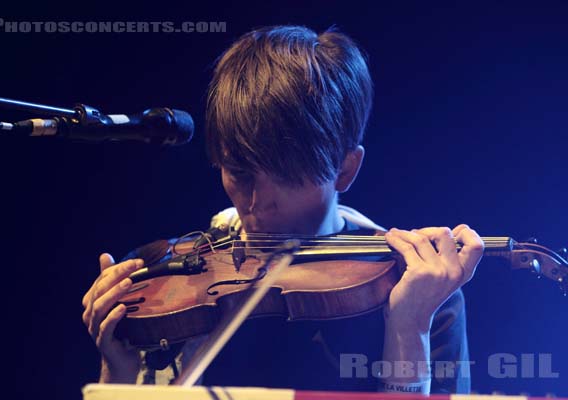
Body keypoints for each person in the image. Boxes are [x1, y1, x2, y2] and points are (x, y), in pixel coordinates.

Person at [81, 25, 484, 394]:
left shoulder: (422, 290)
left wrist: (409, 328)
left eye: (287, 179)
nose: (254, 204)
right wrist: (117, 373)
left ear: (345, 169)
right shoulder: (161, 280)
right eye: (238, 173)